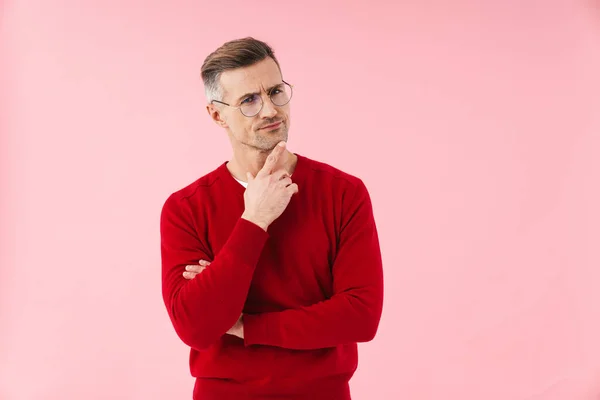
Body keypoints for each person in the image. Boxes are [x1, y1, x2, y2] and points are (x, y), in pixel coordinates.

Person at [159, 37, 384, 400]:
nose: (269, 110)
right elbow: (195, 327)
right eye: (248, 100)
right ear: (217, 115)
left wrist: (246, 326)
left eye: (276, 91)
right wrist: (254, 220)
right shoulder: (186, 208)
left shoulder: (344, 193)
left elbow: (360, 315)